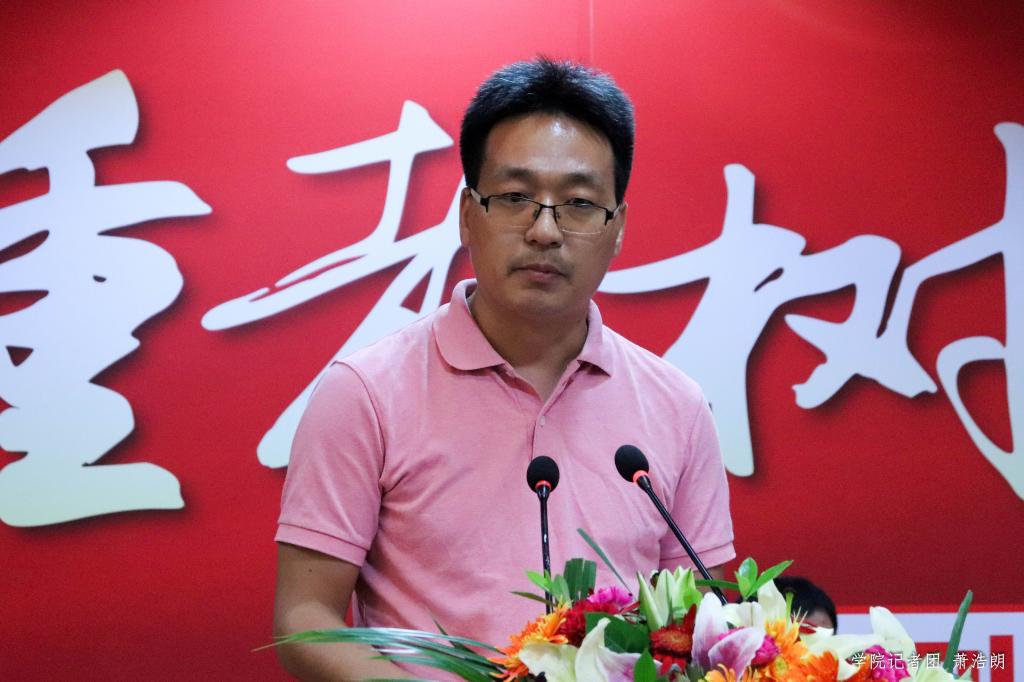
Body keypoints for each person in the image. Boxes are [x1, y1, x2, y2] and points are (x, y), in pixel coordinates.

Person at [273, 57, 735, 680]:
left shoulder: (677, 405)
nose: (545, 230)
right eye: (516, 197)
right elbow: (306, 616)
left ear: (618, 227)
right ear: (468, 213)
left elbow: (703, 623)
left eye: (578, 204)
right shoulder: (366, 393)